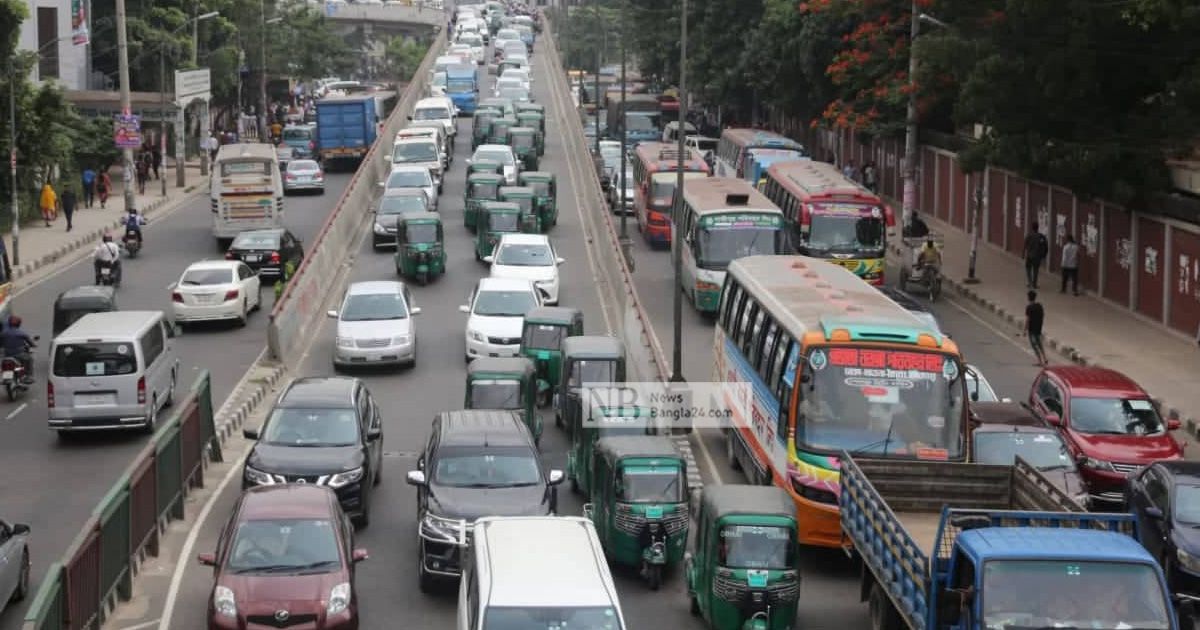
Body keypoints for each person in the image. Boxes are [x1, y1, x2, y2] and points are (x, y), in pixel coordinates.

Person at [1, 316, 35, 382]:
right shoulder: (22, 333)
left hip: (7, 354)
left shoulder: (3, 333)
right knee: (30, 359)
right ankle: (28, 376)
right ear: (19, 324)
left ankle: (6, 377)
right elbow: (31, 343)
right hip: (19, 354)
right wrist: (33, 345)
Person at [1023, 290, 1048, 366]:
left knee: (1034, 345)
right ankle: (1045, 358)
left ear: (1028, 298)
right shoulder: (1039, 306)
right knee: (1039, 343)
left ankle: (1040, 361)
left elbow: (1028, 319)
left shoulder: (1029, 307)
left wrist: (1024, 330)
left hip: (1032, 329)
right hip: (1038, 327)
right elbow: (1043, 315)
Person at [1023, 221, 1049, 289]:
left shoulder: (1029, 235)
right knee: (1036, 270)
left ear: (1032, 227)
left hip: (1029, 256)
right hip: (1037, 257)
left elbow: (1025, 245)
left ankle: (1030, 282)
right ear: (1038, 228)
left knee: (1028, 269)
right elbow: (1046, 246)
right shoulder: (1041, 236)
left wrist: (1023, 254)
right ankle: (1034, 284)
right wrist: (1044, 255)